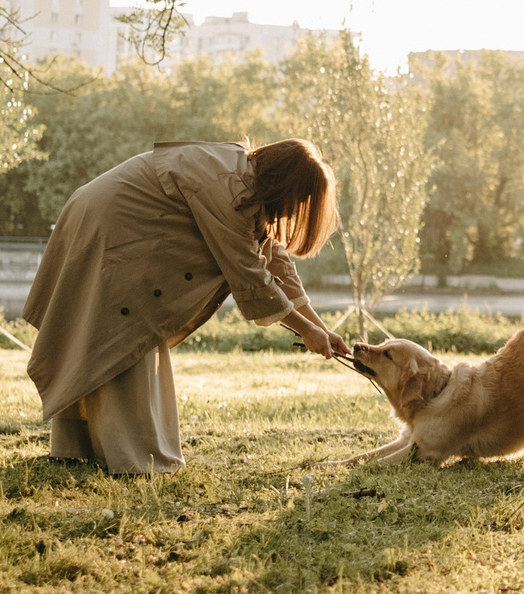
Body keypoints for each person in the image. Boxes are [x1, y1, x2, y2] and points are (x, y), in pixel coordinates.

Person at [24, 138, 354, 474]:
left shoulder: (245, 182)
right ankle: (134, 459)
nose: (295, 210)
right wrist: (309, 331)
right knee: (122, 333)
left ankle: (79, 446)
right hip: (113, 225)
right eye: (298, 200)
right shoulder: (230, 191)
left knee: (101, 332)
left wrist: (321, 329)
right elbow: (250, 276)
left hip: (104, 216)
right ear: (285, 185)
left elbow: (276, 264)